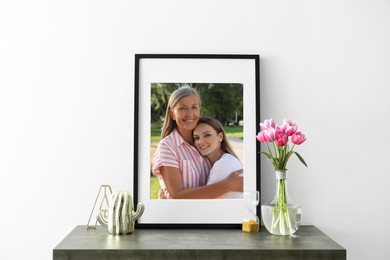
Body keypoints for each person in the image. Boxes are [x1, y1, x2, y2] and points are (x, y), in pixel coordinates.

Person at [152, 86, 243, 199]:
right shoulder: (167, 146)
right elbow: (176, 194)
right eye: (183, 108)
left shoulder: (203, 144)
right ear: (172, 114)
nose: (190, 113)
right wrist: (228, 185)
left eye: (194, 107)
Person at [193, 117, 243, 199]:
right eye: (196, 138)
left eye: (207, 135)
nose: (200, 142)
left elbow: (207, 206)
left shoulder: (223, 165)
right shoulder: (227, 159)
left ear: (220, 137)